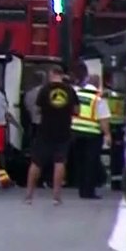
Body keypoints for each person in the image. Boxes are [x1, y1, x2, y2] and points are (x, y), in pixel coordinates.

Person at [23, 64, 78, 205]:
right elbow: (76, 110)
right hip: (63, 130)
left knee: (36, 162)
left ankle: (29, 196)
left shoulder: (45, 90)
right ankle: (56, 197)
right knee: (59, 162)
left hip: (45, 130)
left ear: (52, 74)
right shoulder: (70, 90)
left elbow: (38, 109)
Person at [71, 73, 112, 200]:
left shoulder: (78, 94)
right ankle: (88, 191)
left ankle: (81, 188)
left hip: (76, 132)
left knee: (80, 162)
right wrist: (107, 134)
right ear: (98, 84)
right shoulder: (98, 98)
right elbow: (103, 119)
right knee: (91, 163)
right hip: (92, 134)